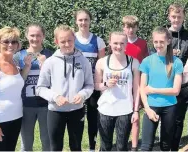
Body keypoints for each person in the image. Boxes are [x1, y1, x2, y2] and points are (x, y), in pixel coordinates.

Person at [36, 25, 94, 151]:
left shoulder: (84, 61)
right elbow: (40, 88)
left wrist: (83, 95)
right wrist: (55, 97)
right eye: (62, 41)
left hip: (77, 110)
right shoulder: (50, 62)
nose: (67, 44)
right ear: (56, 42)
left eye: (70, 40)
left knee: (76, 146)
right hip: (56, 111)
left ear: (74, 40)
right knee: (55, 147)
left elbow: (90, 85)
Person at [94, 31, 140, 151]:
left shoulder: (133, 62)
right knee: (105, 146)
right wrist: (106, 84)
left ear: (126, 44)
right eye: (115, 43)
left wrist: (135, 111)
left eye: (122, 43)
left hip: (125, 110)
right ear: (110, 43)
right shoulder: (102, 62)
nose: (118, 46)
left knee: (122, 146)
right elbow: (95, 85)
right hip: (105, 109)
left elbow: (137, 88)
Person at [139, 27, 183, 151]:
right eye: (156, 42)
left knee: (165, 145)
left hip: (170, 107)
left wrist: (153, 90)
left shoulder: (177, 62)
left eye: (161, 42)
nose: (158, 45)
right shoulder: (147, 61)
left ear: (168, 41)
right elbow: (142, 88)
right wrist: (147, 109)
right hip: (151, 106)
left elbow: (175, 91)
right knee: (146, 146)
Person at [164, 4, 188, 151]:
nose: (176, 19)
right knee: (165, 119)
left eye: (179, 17)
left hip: (184, 86)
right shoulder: (162, 35)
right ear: (169, 17)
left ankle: (174, 147)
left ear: (183, 17)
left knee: (178, 119)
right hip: (164, 83)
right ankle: (164, 147)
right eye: (173, 16)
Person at [14, 23, 52, 151]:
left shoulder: (50, 55)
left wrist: (44, 67)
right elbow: (17, 82)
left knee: (47, 141)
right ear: (26, 36)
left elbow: (55, 82)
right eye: (32, 35)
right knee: (26, 142)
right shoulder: (19, 56)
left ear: (43, 36)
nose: (35, 39)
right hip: (26, 105)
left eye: (38, 35)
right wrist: (27, 67)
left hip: (45, 105)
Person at [74, 9, 106, 151]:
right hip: (76, 86)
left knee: (93, 118)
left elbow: (102, 65)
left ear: (90, 21)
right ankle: (77, 147)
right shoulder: (71, 39)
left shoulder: (98, 41)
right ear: (76, 21)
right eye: (80, 20)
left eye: (86, 19)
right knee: (77, 118)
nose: (83, 22)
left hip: (92, 86)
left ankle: (92, 147)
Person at [121, 15, 149, 151]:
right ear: (123, 27)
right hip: (123, 84)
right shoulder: (120, 42)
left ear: (137, 27)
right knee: (124, 116)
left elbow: (146, 64)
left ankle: (134, 147)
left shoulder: (142, 44)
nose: (130, 30)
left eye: (132, 27)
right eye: (127, 27)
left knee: (136, 114)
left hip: (137, 83)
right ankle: (123, 142)